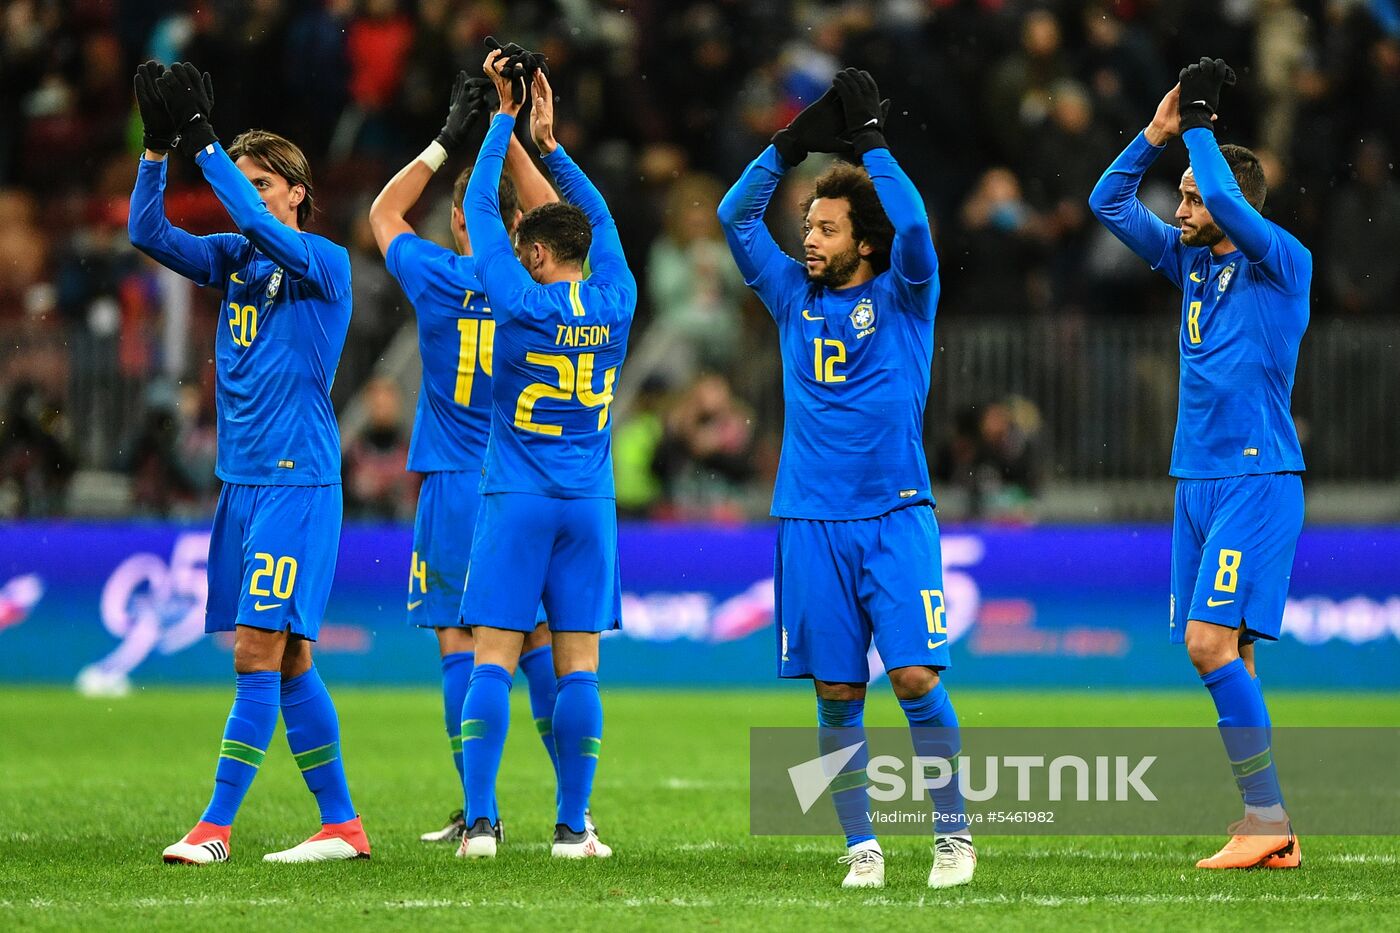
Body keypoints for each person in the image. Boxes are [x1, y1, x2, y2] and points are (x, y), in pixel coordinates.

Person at [717, 69, 974, 890]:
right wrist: (786, 147)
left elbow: (917, 225)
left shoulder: (907, 295)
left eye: (826, 228)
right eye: (807, 226)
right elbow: (734, 216)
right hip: (809, 520)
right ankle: (862, 844)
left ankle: (954, 836)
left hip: (895, 516)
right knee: (836, 690)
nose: (809, 240)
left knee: (914, 677)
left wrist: (871, 144)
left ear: (865, 242)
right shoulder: (789, 294)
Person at [128, 61, 367, 865]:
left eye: (264, 182)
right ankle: (342, 825)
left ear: (298, 192)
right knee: (291, 657)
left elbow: (260, 227)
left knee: (255, 650)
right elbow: (148, 234)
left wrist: (204, 143)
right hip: (242, 483)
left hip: (298, 480)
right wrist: (158, 148)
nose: (252, 195)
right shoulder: (235, 258)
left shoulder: (324, 263)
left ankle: (216, 827)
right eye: (247, 181)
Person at [1088, 58, 1307, 869]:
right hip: (1196, 482)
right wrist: (1156, 134)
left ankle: (1267, 817)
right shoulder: (1191, 261)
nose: (1179, 208)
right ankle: (1269, 828)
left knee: (1208, 644)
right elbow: (1107, 202)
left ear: (1232, 203)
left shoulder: (1281, 260)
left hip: (1256, 477)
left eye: (1189, 196)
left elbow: (1220, 192)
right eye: (1179, 195)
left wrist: (1204, 125)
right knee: (1232, 653)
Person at [366, 64, 576, 846]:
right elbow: (563, 223)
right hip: (529, 480)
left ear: (463, 221)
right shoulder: (544, 292)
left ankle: (478, 811)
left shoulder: (437, 276)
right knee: (542, 645)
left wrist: (448, 138)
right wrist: (517, 130)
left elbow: (384, 213)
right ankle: (574, 812)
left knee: (460, 644)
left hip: (456, 483)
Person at [455, 50, 632, 860]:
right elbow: (600, 219)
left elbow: (479, 210)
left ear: (533, 252)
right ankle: (571, 826)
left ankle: (481, 822)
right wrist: (551, 146)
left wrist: (502, 119)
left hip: (517, 494)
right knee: (580, 667)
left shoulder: (520, 300)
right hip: (588, 501)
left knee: (492, 657)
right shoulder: (618, 295)